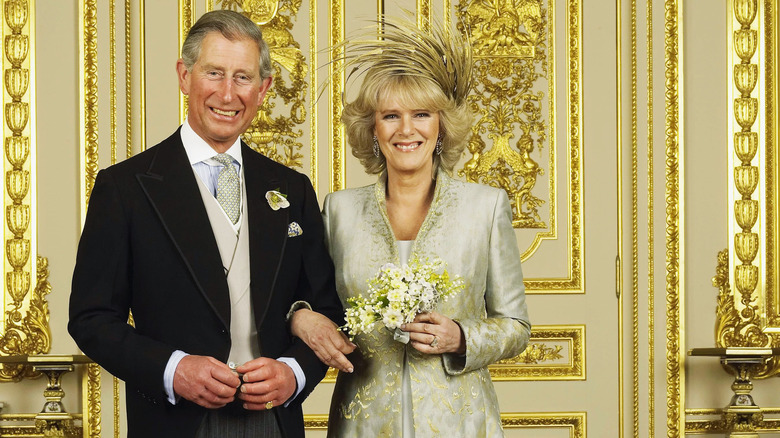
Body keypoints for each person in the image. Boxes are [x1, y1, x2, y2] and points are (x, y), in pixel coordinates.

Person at [68, 10, 343, 438]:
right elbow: (91, 319)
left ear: (263, 88)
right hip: (174, 422)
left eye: (243, 77)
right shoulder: (124, 188)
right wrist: (173, 369)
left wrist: (293, 373)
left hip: (272, 421)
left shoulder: (292, 189)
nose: (228, 93)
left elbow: (325, 308)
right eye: (214, 73)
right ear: (184, 76)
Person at [290, 20, 531, 437]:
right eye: (390, 116)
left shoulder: (485, 207)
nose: (406, 130)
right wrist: (299, 318)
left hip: (459, 420)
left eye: (421, 114)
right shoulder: (339, 211)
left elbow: (515, 327)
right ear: (373, 129)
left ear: (441, 126)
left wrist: (460, 337)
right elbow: (306, 301)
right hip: (363, 420)